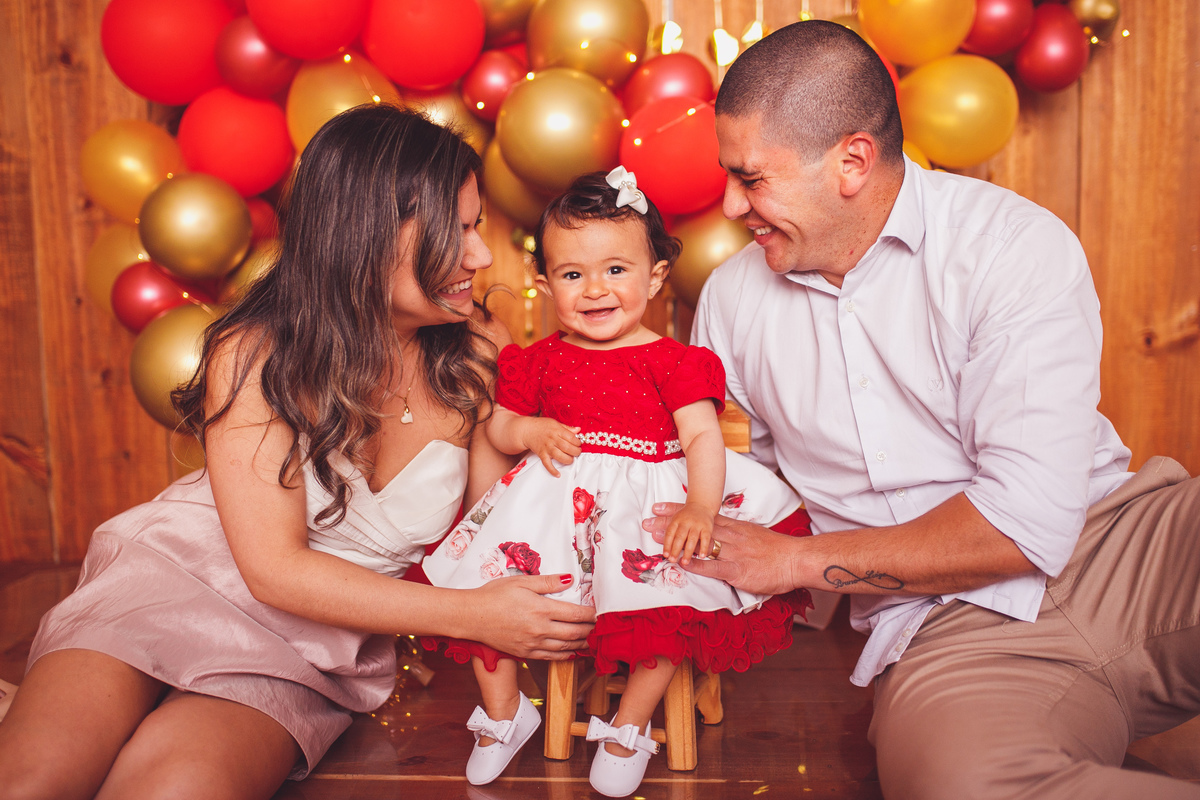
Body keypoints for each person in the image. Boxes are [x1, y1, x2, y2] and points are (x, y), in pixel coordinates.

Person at [643, 20, 1200, 800]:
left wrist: (791, 562)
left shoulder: (1009, 244)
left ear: (852, 161)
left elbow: (1026, 522)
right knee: (962, 786)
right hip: (946, 630)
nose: (732, 204)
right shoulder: (733, 303)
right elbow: (744, 491)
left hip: (1130, 544)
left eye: (753, 178)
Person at [0, 105, 595, 800]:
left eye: (476, 227)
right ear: (373, 233)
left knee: (173, 790)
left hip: (306, 650)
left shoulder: (475, 357)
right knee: (34, 779)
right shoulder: (252, 352)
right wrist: (475, 616)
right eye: (456, 230)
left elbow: (494, 525)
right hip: (169, 585)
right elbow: (274, 570)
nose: (481, 256)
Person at [421, 168, 810, 797]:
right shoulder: (538, 358)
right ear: (545, 285)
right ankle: (504, 712)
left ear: (655, 277)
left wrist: (701, 508)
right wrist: (530, 434)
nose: (595, 290)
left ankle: (628, 724)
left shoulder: (675, 362)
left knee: (662, 605)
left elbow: (703, 439)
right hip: (553, 506)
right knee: (479, 588)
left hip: (643, 507)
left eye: (616, 271)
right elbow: (499, 427)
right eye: (573, 275)